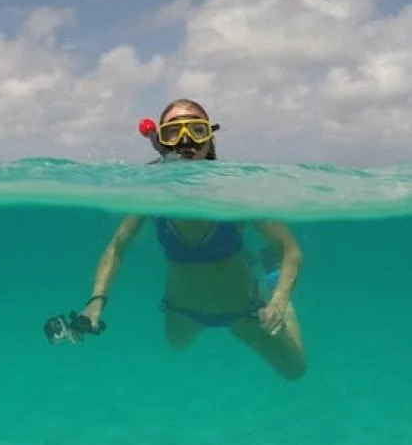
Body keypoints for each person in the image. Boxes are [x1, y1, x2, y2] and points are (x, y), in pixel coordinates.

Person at [80, 98, 306, 381]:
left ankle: (268, 275)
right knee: (175, 347)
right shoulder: (150, 192)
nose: (186, 141)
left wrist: (279, 302)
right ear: (162, 141)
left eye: (196, 131)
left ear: (209, 141)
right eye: (174, 132)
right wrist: (96, 301)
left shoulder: (234, 191)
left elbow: (290, 249)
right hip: (182, 311)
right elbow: (117, 248)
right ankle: (248, 259)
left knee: (294, 370)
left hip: (244, 309)